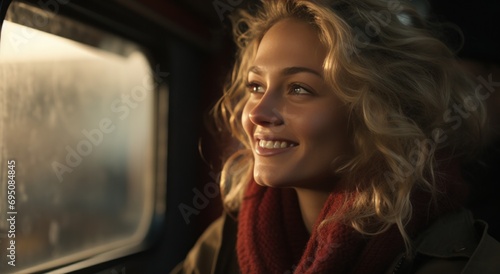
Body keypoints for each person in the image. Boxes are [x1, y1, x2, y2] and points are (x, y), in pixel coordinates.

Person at [172, 0, 500, 273]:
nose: (257, 112)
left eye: (298, 89)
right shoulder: (226, 239)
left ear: (376, 114)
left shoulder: (454, 259)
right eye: (256, 86)